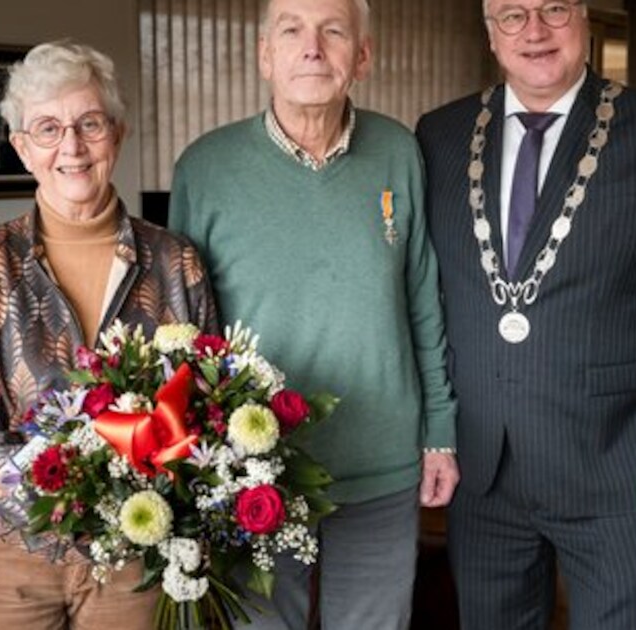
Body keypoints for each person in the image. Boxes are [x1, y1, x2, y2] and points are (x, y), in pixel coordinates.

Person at [415, 1, 636, 628]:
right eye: (512, 15)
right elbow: (422, 293)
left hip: (616, 466)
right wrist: (432, 434)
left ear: (585, 18)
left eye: (553, 8)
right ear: (490, 34)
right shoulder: (439, 135)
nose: (534, 31)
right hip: (483, 471)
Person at [167, 0, 459, 628]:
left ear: (363, 56)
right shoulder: (204, 168)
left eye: (333, 31)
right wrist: (196, 465)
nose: (312, 47)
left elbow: (423, 300)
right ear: (264, 56)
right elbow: (188, 334)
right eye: (292, 30)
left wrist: (439, 432)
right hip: (254, 474)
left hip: (382, 463)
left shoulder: (399, 152)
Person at [0, 39, 218, 630]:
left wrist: (142, 505)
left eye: (90, 123)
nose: (72, 146)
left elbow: (205, 399)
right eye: (48, 128)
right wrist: (64, 501)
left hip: (134, 554)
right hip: (5, 553)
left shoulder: (175, 262)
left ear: (118, 134)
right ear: (22, 148)